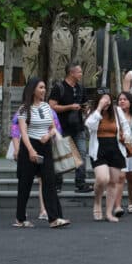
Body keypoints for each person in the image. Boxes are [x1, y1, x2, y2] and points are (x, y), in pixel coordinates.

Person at [14, 78, 69, 228]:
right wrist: (31, 150)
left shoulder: (46, 107)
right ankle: (20, 218)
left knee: (49, 181)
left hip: (45, 146)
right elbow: (23, 133)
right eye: (41, 87)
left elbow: (53, 127)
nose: (44, 90)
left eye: (45, 87)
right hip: (29, 146)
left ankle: (54, 218)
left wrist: (49, 135)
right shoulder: (23, 109)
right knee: (25, 184)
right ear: (33, 90)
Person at [85, 92, 130, 222]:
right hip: (99, 149)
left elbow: (125, 126)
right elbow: (90, 126)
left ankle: (109, 213)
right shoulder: (93, 112)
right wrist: (99, 108)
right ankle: (97, 202)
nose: (106, 102)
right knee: (102, 178)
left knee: (113, 182)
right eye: (103, 100)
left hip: (115, 149)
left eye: (108, 100)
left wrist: (126, 136)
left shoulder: (117, 111)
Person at [48, 61, 91, 193]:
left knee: (82, 154)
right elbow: (51, 106)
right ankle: (57, 184)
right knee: (61, 154)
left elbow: (85, 103)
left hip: (78, 127)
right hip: (62, 127)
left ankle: (80, 183)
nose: (81, 74)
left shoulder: (80, 88)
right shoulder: (59, 87)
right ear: (71, 73)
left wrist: (85, 109)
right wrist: (70, 107)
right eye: (79, 72)